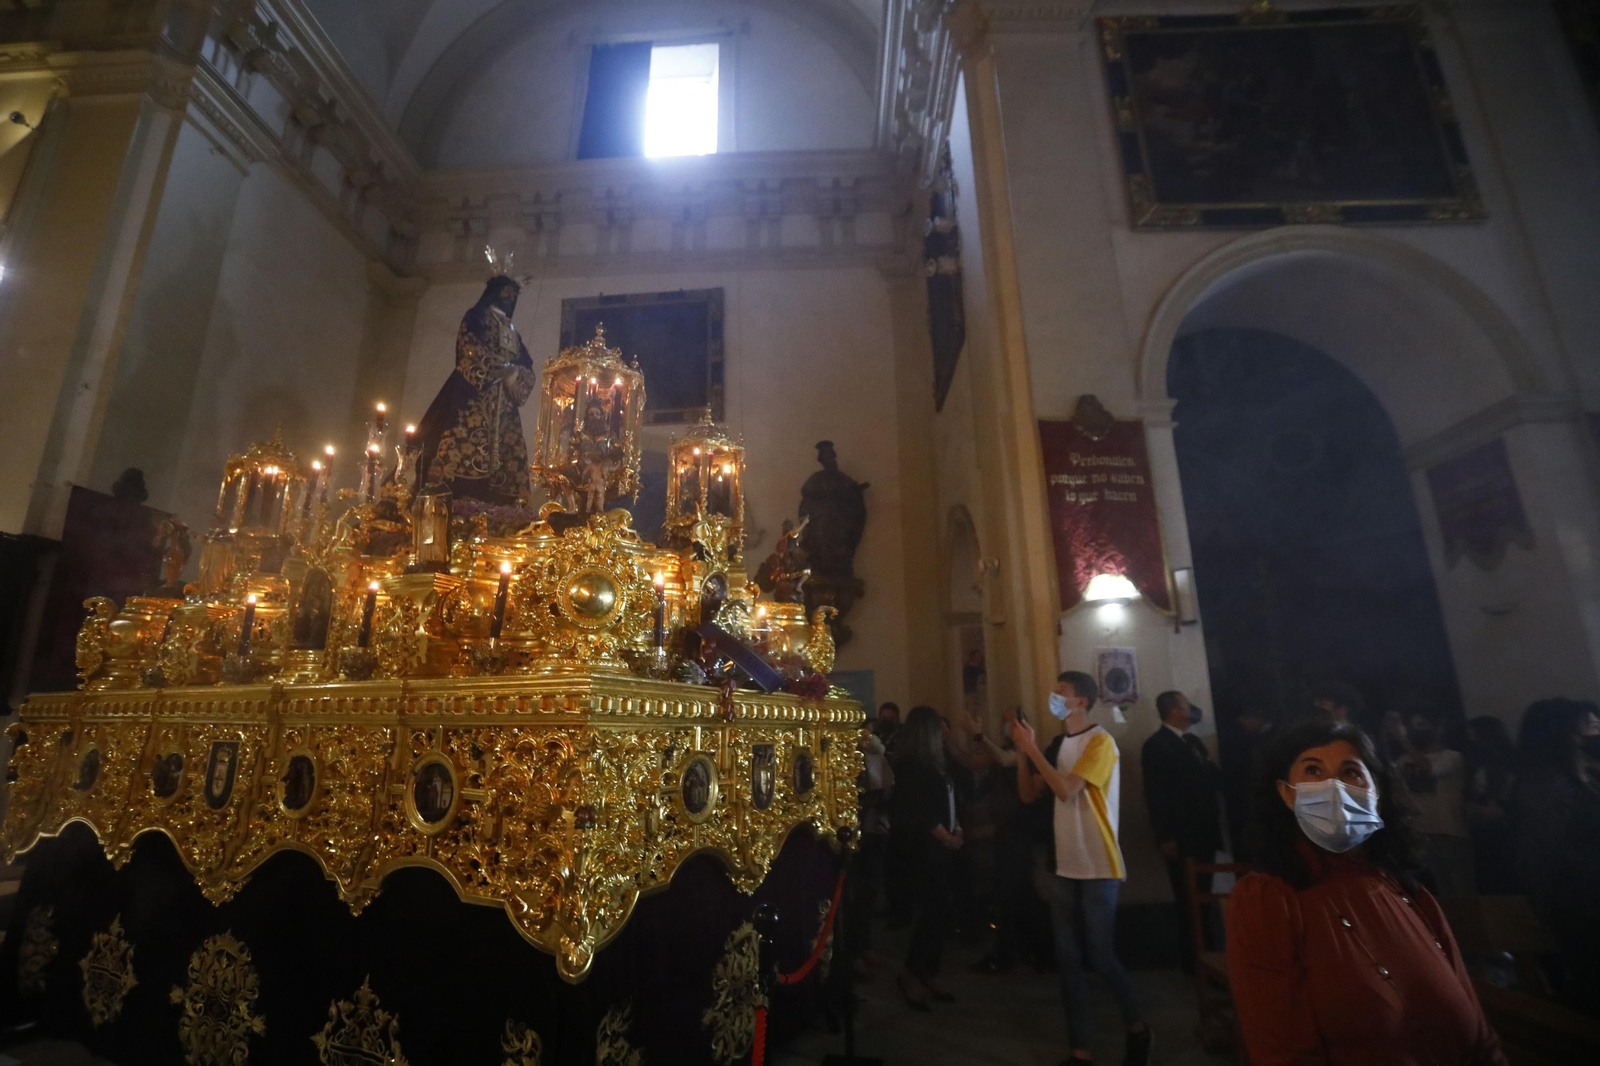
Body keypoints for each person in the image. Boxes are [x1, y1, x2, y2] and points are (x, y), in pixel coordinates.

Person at [1228, 719, 1507, 1065]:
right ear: (1286, 794)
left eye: (1351, 772)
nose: (1334, 787)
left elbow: (1479, 1036)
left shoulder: (1410, 895)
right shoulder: (1269, 900)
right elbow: (1282, 1054)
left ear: (1377, 790)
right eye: (1313, 770)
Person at [1010, 671, 1151, 1066]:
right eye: (1054, 691)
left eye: (1063, 692)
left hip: (1098, 863)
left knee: (1101, 956)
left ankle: (1138, 1027)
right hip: (1064, 863)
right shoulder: (1058, 746)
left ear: (1082, 701)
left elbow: (1067, 789)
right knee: (1068, 960)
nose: (1055, 697)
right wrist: (1022, 754)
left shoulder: (1100, 742)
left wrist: (1032, 748)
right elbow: (1029, 793)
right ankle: (1080, 1051)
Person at [416, 272, 537, 504]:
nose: (509, 299)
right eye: (505, 293)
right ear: (493, 293)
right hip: (473, 393)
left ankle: (501, 510)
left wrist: (513, 373)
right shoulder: (476, 317)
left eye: (513, 295)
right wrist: (496, 368)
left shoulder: (513, 332)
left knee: (507, 454)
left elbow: (526, 365)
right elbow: (469, 346)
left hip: (505, 405)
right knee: (462, 441)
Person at [1511, 698, 1600, 1014]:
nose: (1588, 738)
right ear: (1560, 736)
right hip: (1583, 910)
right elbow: (1548, 857)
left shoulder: (1575, 779)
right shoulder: (1545, 787)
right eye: (1582, 730)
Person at [1141, 690, 1223, 972]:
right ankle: (1195, 963)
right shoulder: (1157, 745)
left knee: (1204, 897)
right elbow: (1156, 795)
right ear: (1175, 711)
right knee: (1189, 899)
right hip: (1181, 835)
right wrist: (1165, 836)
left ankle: (1209, 958)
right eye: (1186, 705)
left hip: (1204, 832)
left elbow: (1211, 779)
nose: (1192, 710)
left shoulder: (1193, 741)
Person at [889, 706, 962, 1010]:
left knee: (940, 911)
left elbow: (946, 799)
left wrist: (957, 827)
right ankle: (910, 974)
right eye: (938, 727)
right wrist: (946, 836)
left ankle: (928, 971)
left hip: (940, 845)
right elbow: (919, 811)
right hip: (922, 849)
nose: (944, 732)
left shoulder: (936, 762)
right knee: (930, 911)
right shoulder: (911, 766)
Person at [1394, 708, 1474, 898]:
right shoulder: (1403, 760)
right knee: (1428, 893)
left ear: (1439, 728)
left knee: (1460, 891)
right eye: (1413, 725)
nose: (1416, 730)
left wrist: (1402, 739)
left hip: (1448, 832)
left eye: (1422, 724)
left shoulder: (1452, 757)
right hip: (1418, 833)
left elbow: (1428, 769)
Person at [850, 729, 894, 979]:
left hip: (876, 830)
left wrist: (881, 797)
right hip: (857, 833)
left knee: (870, 892)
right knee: (856, 896)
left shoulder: (876, 757)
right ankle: (854, 953)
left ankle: (865, 946)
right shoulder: (851, 757)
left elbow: (886, 788)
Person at [1462, 715, 1518, 895]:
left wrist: (1500, 811)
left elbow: (1518, 802)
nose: (1471, 742)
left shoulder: (1511, 766)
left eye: (1475, 736)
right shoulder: (1476, 764)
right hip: (1481, 830)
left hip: (1505, 833)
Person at [1216, 702, 1274, 864]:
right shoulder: (1243, 740)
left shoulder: (1231, 736)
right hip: (1245, 798)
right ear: (1252, 719)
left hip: (1237, 798)